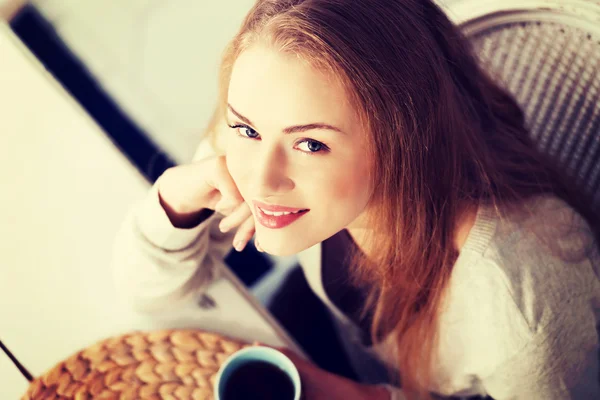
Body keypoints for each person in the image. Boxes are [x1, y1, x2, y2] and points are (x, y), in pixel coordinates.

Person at [111, 0, 600, 398]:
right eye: (245, 128)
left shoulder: (517, 295)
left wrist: (360, 396)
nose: (260, 181)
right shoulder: (257, 135)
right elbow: (153, 296)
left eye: (311, 144)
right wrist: (176, 200)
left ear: (404, 140)